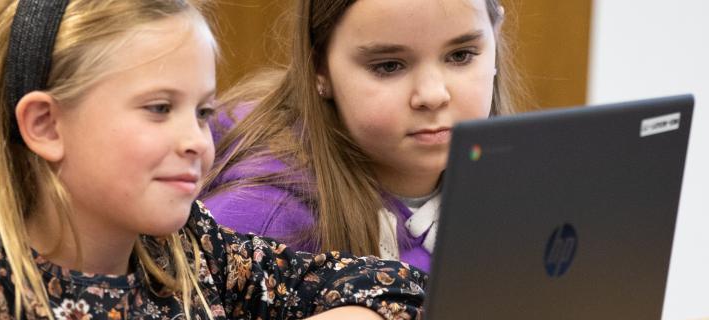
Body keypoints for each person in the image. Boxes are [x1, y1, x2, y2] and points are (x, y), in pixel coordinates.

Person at [0, 0, 423, 320]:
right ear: (46, 126)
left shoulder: (195, 257)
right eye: (159, 108)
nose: (197, 140)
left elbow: (406, 294)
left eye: (201, 112)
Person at [200, 0, 521, 272]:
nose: (433, 95)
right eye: (390, 66)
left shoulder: (528, 191)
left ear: (494, 35)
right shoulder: (259, 223)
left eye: (461, 55)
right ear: (318, 68)